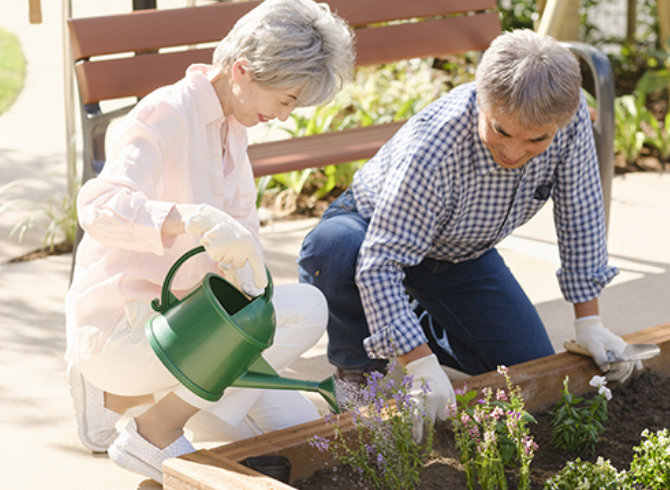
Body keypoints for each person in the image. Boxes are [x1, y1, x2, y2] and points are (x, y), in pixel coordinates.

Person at [298, 29, 638, 442]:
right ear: (481, 98)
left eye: (536, 140)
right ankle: (357, 370)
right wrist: (421, 365)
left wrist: (590, 322)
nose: (513, 152)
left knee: (525, 368)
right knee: (333, 247)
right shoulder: (435, 147)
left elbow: (580, 211)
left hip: (460, 255)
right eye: (501, 131)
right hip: (372, 237)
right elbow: (380, 264)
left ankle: (409, 321)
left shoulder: (568, 121)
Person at [64, 0, 354, 482]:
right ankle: (153, 427)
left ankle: (121, 403)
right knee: (288, 326)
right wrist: (189, 219)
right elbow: (98, 205)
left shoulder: (232, 129)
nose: (284, 117)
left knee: (300, 417)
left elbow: (241, 247)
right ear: (242, 70)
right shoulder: (166, 112)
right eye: (285, 101)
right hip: (130, 325)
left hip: (188, 325)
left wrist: (249, 280)